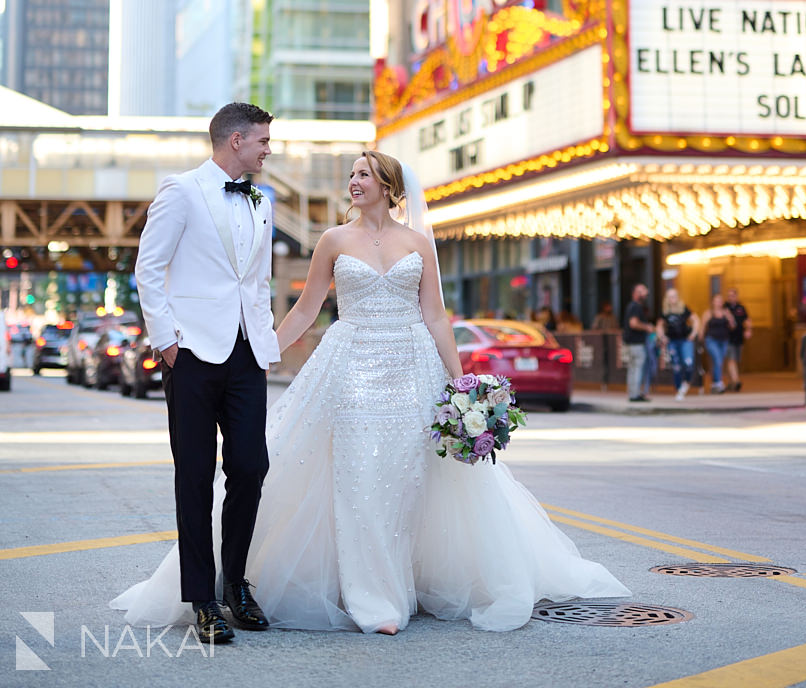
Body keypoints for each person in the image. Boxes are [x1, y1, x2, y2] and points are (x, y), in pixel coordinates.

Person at [112, 151, 629, 635]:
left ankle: (406, 578)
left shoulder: (418, 243)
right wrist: (261, 349)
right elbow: (307, 307)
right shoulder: (334, 240)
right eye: (352, 175)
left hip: (412, 368)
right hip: (352, 366)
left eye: (362, 174)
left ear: (387, 186)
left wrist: (462, 381)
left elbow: (435, 315)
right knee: (360, 477)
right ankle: (372, 596)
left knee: (410, 478)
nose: (353, 182)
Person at [112, 102, 280, 644]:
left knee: (251, 468)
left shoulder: (261, 201)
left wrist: (265, 338)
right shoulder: (182, 191)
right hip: (191, 355)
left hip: (246, 353)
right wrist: (166, 340)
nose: (267, 149)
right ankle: (202, 599)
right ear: (235, 140)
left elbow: (257, 282)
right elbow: (149, 266)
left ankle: (235, 584)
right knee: (193, 477)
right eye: (262, 141)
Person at [656, 288, 699, 400]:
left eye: (674, 296)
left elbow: (696, 320)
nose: (672, 299)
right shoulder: (665, 311)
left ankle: (686, 383)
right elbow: (659, 325)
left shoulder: (684, 309)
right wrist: (662, 337)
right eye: (670, 296)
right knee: (676, 366)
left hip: (685, 340)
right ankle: (679, 389)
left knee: (688, 363)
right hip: (672, 341)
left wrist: (693, 334)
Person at [623, 283, 655, 402]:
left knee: (632, 368)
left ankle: (632, 393)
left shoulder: (631, 306)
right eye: (642, 291)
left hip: (631, 343)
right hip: (636, 343)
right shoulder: (635, 307)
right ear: (636, 293)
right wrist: (647, 327)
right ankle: (635, 394)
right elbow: (634, 323)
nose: (645, 294)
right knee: (637, 368)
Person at [700, 293, 733, 393]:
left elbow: (732, 326)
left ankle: (714, 384)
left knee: (719, 362)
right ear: (713, 302)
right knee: (718, 359)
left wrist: (729, 317)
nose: (719, 302)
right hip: (711, 340)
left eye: (720, 300)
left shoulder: (726, 312)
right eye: (717, 300)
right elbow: (702, 327)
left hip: (724, 340)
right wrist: (700, 341)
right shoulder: (708, 313)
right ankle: (718, 383)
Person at [723, 288, 752, 390]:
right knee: (731, 359)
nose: (730, 298)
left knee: (736, 360)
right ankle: (736, 380)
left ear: (736, 296)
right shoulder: (724, 307)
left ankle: (731, 382)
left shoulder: (741, 308)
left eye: (732, 295)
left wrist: (748, 330)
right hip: (727, 337)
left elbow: (747, 320)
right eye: (729, 296)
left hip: (739, 337)